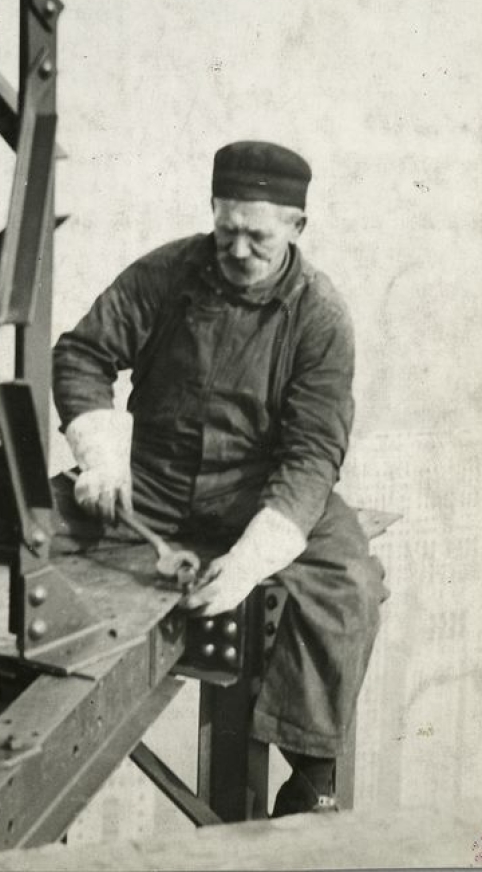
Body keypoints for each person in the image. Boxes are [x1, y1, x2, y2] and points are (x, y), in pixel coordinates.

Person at [52, 140, 388, 817]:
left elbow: (312, 455)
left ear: (296, 228)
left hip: (254, 494)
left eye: (257, 237)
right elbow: (84, 353)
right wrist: (100, 452)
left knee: (348, 579)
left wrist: (245, 565)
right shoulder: (164, 273)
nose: (238, 250)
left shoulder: (320, 316)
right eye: (226, 230)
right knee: (22, 527)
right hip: (149, 481)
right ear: (212, 212)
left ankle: (312, 771)